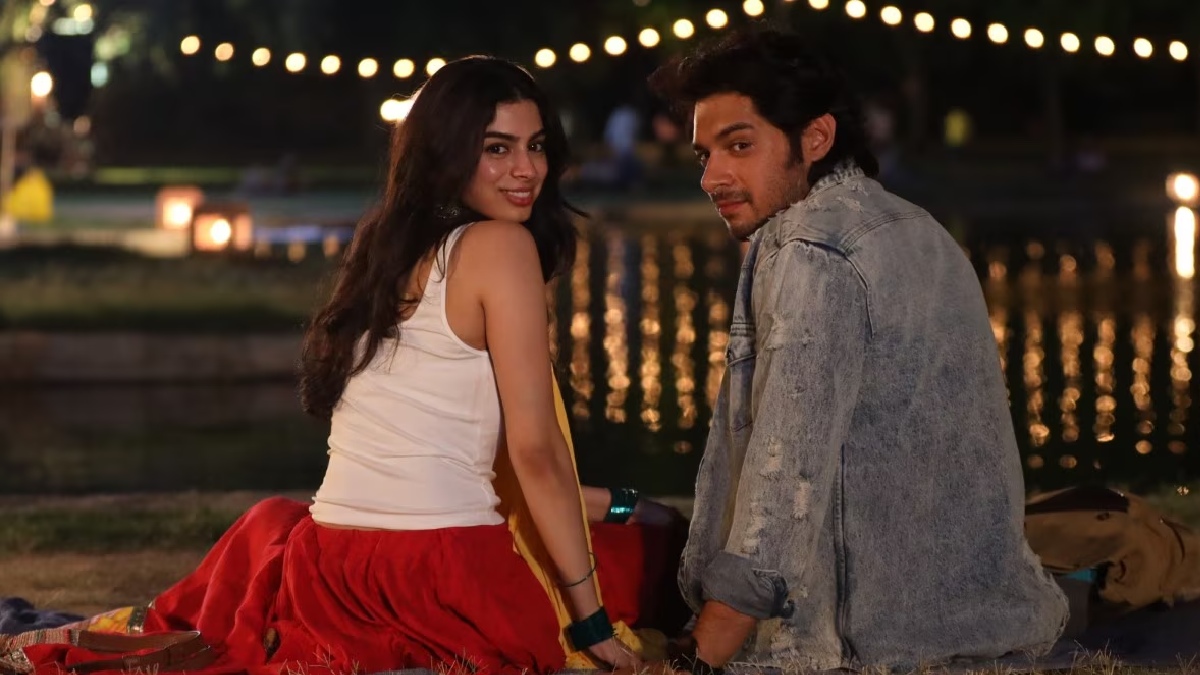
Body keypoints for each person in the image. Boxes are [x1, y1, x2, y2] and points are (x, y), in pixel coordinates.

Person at [11, 56, 682, 675]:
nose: (527, 169)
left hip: (328, 566)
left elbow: (461, 460)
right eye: (497, 148)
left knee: (639, 530)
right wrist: (592, 622)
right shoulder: (502, 247)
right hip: (438, 575)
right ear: (447, 153)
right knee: (662, 558)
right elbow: (534, 454)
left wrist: (624, 503)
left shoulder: (383, 251)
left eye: (536, 146)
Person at [646, 29, 1069, 671]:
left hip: (863, 638)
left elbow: (786, 472)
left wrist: (698, 657)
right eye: (705, 154)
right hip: (981, 613)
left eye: (740, 145)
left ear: (815, 138)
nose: (712, 177)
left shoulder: (812, 251)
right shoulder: (915, 225)